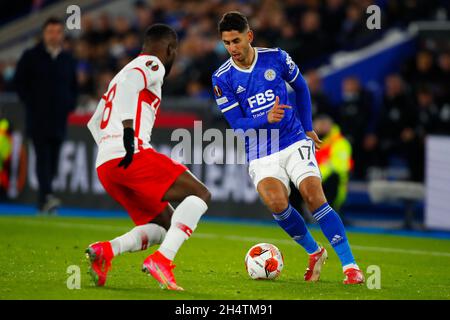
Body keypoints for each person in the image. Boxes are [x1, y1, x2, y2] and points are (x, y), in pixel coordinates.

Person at [212, 12, 363, 284]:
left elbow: (302, 88)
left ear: (249, 36)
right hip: (260, 151)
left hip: (293, 139)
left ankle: (350, 266)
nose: (232, 48)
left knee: (314, 196)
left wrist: (307, 126)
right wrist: (265, 118)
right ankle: (314, 252)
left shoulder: (276, 57)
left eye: (236, 40)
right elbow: (238, 124)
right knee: (277, 203)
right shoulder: (222, 78)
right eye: (226, 43)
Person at [86, 24, 211, 291]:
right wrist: (129, 134)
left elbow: (94, 122)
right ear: (170, 49)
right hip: (130, 154)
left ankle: (106, 250)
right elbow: (132, 85)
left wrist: (111, 148)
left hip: (106, 164)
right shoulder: (152, 64)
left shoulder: (117, 76)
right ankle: (162, 261)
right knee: (200, 194)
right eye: (173, 52)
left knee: (163, 224)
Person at [14, 17, 78, 214]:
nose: (54, 35)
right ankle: (48, 196)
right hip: (38, 118)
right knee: (42, 157)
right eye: (50, 31)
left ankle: (44, 200)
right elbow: (19, 83)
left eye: (58, 32)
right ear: (44, 34)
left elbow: (73, 86)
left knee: (54, 161)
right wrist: (32, 103)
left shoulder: (67, 58)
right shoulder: (31, 56)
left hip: (59, 120)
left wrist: (69, 105)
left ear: (62, 34)